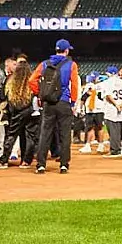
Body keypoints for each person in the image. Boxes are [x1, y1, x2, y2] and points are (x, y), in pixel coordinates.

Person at [29, 40, 81, 173]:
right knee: (64, 134)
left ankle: (41, 165)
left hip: (48, 103)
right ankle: (64, 165)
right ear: (67, 50)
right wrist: (73, 102)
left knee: (45, 133)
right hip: (64, 102)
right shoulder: (71, 64)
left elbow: (32, 81)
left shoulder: (45, 64)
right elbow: (74, 84)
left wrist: (40, 94)